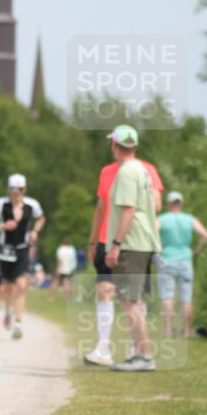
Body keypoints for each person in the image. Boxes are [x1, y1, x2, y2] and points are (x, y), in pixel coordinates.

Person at [84, 126, 163, 367]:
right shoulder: (139, 170)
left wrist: (116, 244)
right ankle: (136, 353)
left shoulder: (129, 172)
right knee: (130, 299)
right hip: (135, 240)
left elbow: (129, 209)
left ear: (116, 145)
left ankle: (143, 354)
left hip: (130, 241)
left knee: (131, 300)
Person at [0, 174, 45, 339]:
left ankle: (18, 323)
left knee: (21, 285)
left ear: (24, 190)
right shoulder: (1, 204)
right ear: (8, 189)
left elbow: (41, 219)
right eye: (13, 189)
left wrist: (35, 231)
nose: (16, 192)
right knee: (7, 287)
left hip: (22, 249)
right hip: (5, 249)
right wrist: (2, 225)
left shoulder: (32, 205)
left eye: (19, 189)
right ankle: (7, 312)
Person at [157, 191, 207, 338]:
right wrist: (196, 251)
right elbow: (205, 235)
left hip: (166, 260)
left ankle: (168, 330)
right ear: (181, 203)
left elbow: (151, 235)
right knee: (186, 297)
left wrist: (159, 249)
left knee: (167, 296)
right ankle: (187, 331)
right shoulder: (189, 219)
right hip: (186, 260)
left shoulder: (162, 219)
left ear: (168, 204)